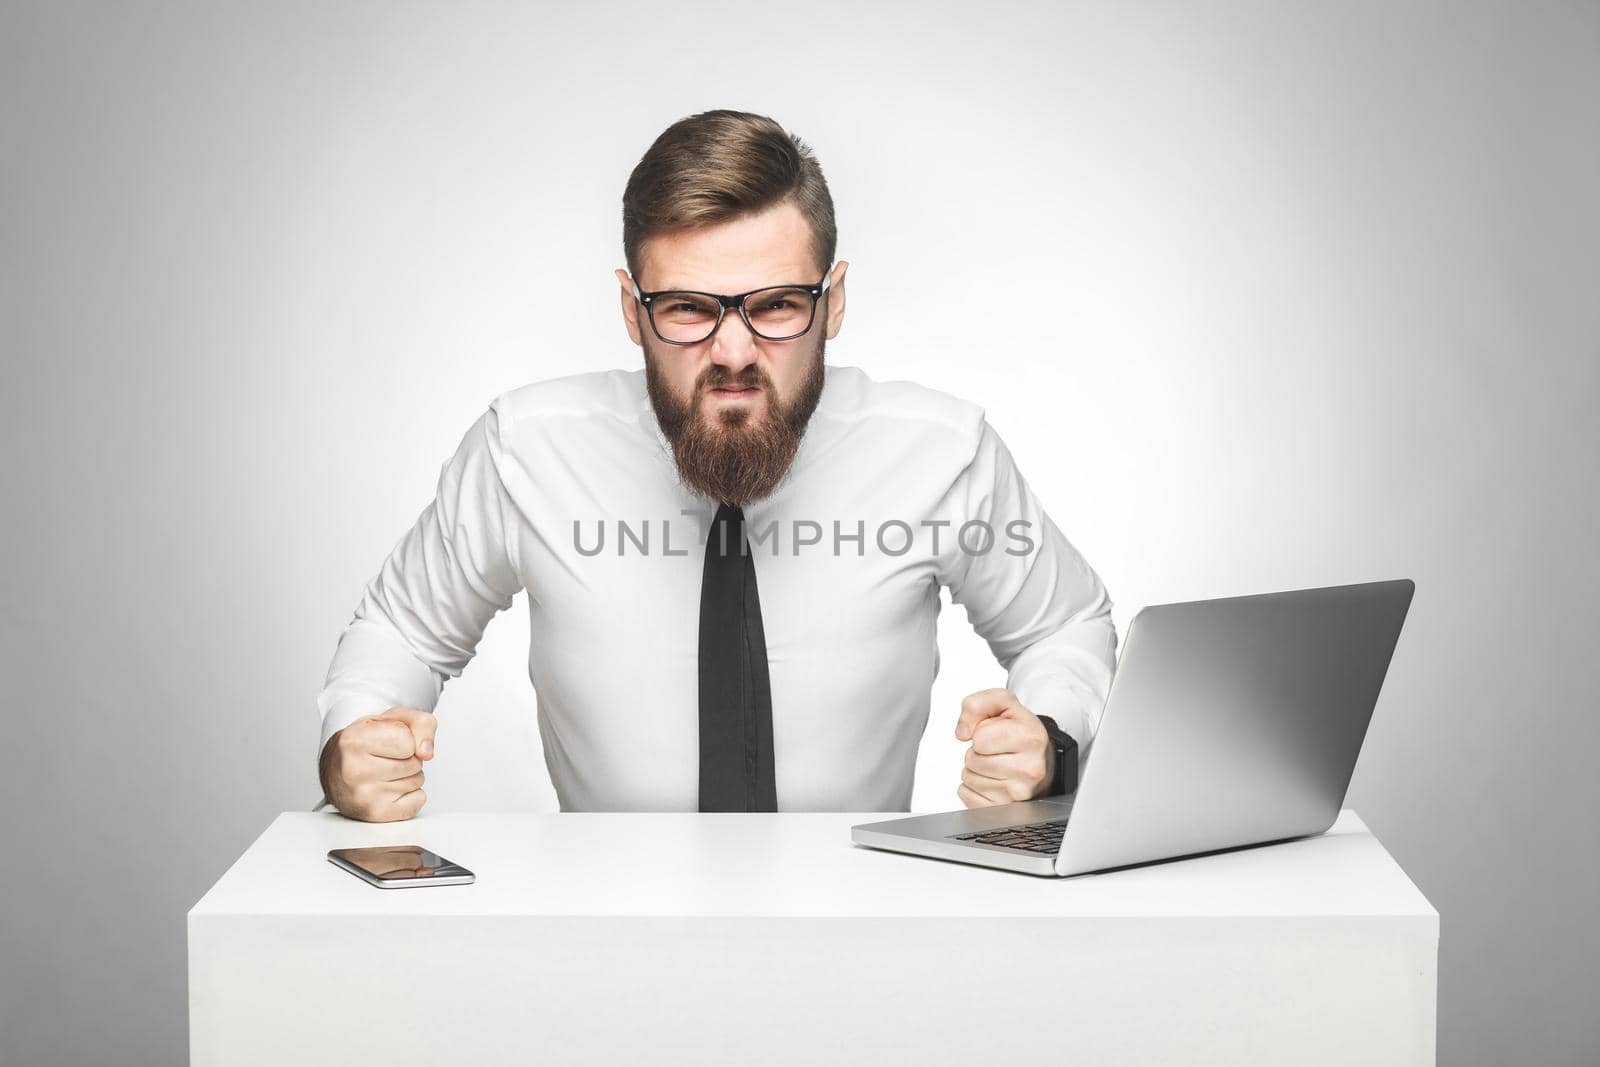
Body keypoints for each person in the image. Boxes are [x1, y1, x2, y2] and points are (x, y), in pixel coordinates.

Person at [316, 109, 1117, 822]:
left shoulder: (944, 453)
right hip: (601, 949)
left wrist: (1048, 737)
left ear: (832, 301)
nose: (733, 353)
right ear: (634, 312)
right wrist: (359, 740)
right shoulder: (523, 450)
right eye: (690, 309)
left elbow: (1066, 625)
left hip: (860, 940)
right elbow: (400, 633)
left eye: (773, 305)